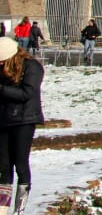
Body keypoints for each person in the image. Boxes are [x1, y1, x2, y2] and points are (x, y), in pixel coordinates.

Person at [0, 36, 43, 214]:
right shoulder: (3, 68)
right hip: (3, 119)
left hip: (24, 119)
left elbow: (27, 93)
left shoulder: (32, 67)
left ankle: (19, 208)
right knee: (3, 165)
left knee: (20, 163)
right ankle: (2, 207)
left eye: (2, 61)